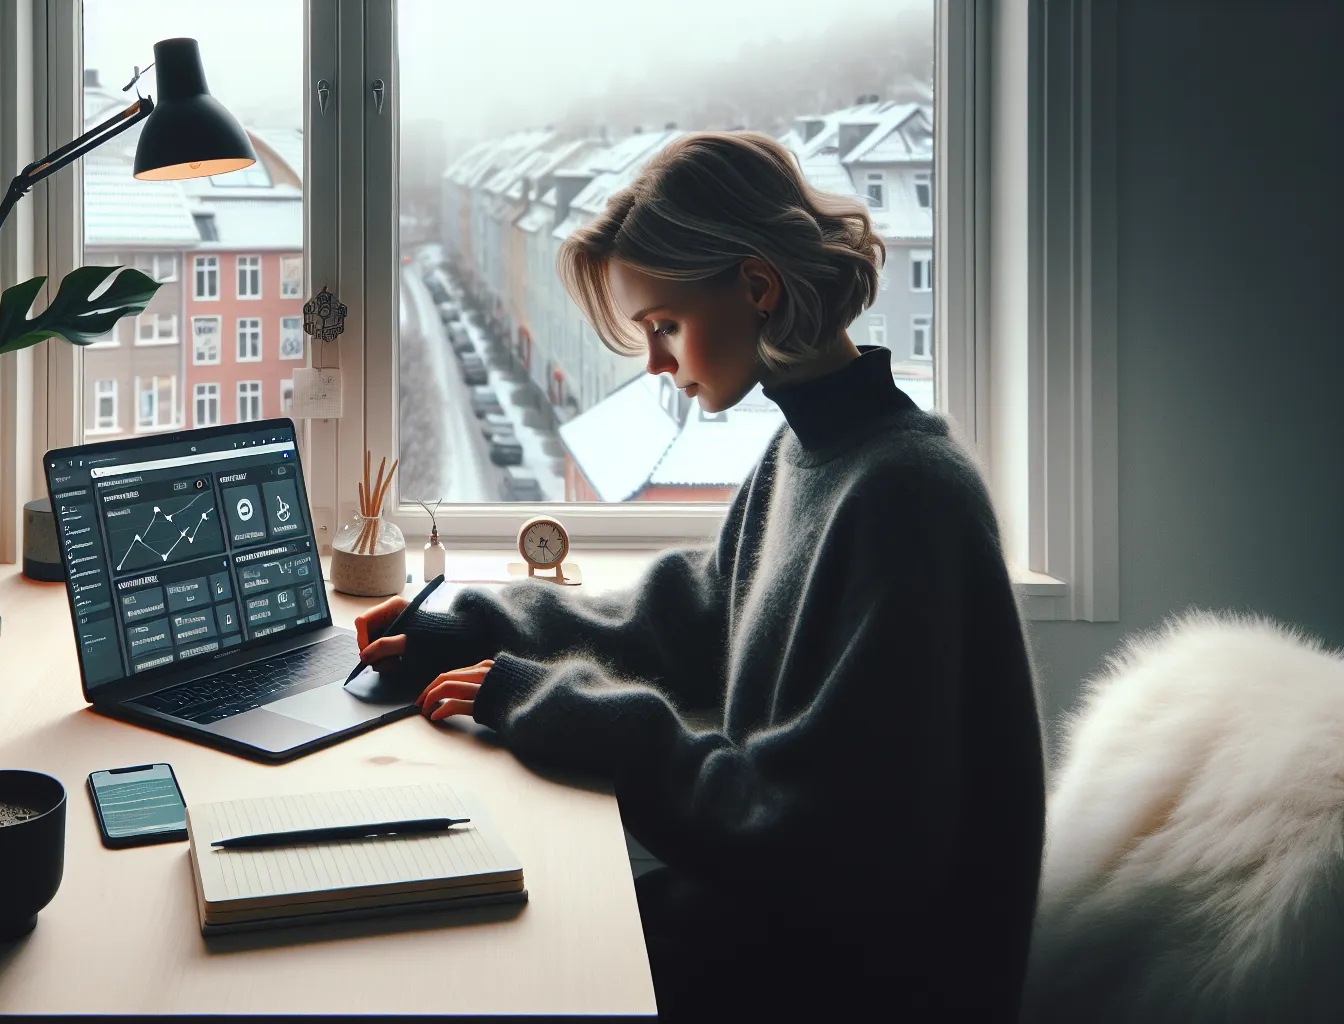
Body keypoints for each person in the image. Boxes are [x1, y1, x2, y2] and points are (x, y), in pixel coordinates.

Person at [357, 132, 1044, 1020]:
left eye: (663, 327)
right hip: (773, 934)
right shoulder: (810, 450)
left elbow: (809, 836)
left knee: (468, 955)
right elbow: (687, 619)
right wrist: (472, 624)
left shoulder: (907, 496)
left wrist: (544, 702)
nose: (656, 365)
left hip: (846, 984)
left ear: (756, 289)